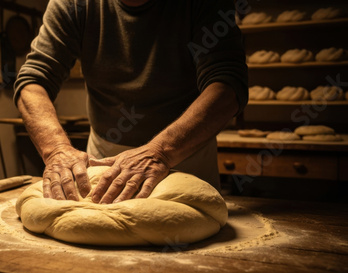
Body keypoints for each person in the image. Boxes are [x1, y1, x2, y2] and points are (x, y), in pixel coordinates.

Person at [14, 0, 248, 204]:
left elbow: (227, 86)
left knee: (192, 247)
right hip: (103, 162)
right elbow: (33, 81)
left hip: (185, 154)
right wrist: (56, 150)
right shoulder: (74, 3)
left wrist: (160, 153)